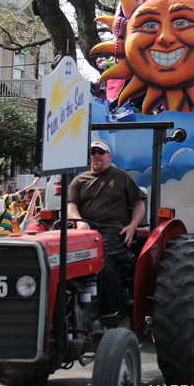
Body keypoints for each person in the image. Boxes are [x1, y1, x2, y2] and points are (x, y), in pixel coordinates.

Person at [67, 139, 145, 328]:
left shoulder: (121, 177)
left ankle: (119, 315)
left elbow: (138, 204)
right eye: (93, 152)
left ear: (109, 156)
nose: (96, 156)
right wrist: (79, 223)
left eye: (100, 152)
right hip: (84, 230)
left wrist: (133, 226)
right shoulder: (79, 181)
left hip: (111, 230)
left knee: (104, 265)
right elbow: (71, 206)